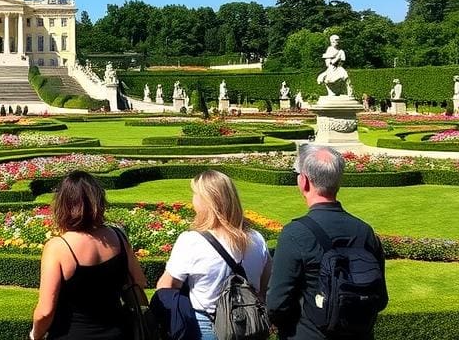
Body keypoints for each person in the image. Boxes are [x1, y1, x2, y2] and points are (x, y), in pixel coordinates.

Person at [267, 144, 387, 340]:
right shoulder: (364, 231)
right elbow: (380, 300)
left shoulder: (295, 233)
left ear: (304, 181)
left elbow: (277, 304)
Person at [157, 170, 271, 340]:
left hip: (208, 324)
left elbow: (166, 287)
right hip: (250, 325)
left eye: (195, 194)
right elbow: (265, 285)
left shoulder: (192, 241)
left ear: (206, 201)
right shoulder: (257, 239)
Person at [31, 171, 146, 340]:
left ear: (63, 204)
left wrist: (35, 334)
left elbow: (46, 311)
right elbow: (139, 281)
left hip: (72, 333)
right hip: (117, 332)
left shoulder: (58, 247)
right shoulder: (118, 236)